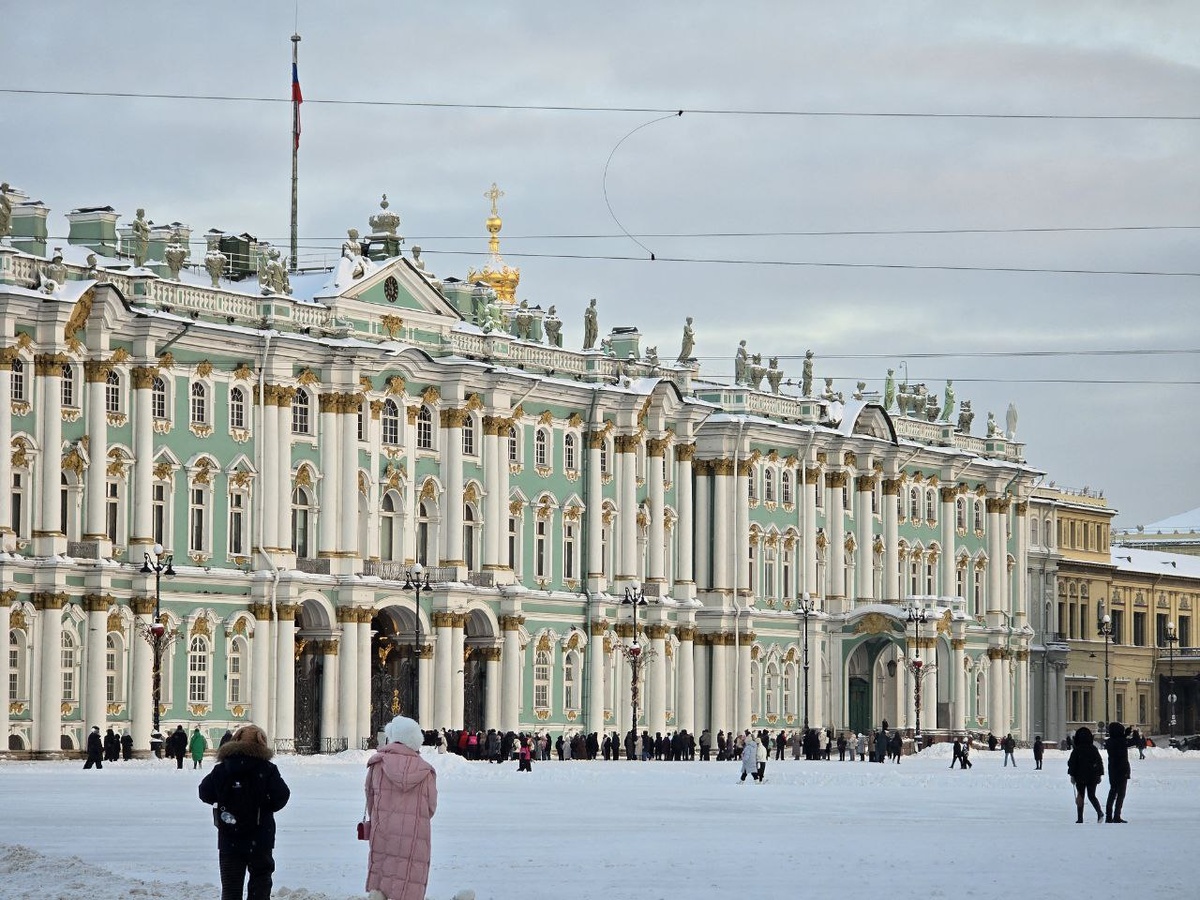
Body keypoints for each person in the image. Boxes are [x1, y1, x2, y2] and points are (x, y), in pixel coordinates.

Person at [198, 724, 290, 900]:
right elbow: (282, 796)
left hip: (229, 837)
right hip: (260, 837)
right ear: (262, 742)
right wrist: (264, 807)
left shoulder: (222, 769)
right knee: (260, 885)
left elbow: (204, 792)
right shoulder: (267, 769)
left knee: (231, 889)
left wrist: (226, 800)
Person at [365, 715, 438, 900]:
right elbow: (431, 807)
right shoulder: (425, 770)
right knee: (409, 877)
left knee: (384, 871)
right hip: (415, 833)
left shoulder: (378, 764)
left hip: (383, 829)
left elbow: (370, 798)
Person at [1066, 726, 1104, 824]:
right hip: (1093, 776)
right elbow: (1099, 762)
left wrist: (1072, 775)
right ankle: (1099, 812)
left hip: (1080, 776)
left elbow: (1071, 763)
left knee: (1080, 796)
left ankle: (1080, 818)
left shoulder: (1077, 750)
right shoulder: (1093, 749)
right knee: (1092, 796)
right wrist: (1099, 775)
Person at [1104, 721, 1133, 823]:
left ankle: (1108, 816)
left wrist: (1125, 735)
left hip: (1113, 770)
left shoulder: (1110, 741)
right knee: (1120, 794)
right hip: (1122, 769)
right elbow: (1132, 741)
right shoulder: (1121, 741)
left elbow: (1119, 740)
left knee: (1112, 792)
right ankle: (1117, 815)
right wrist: (1131, 734)